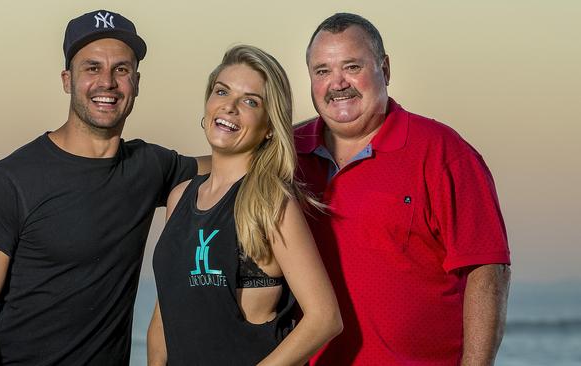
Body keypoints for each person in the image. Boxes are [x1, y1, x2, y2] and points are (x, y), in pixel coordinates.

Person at [0, 10, 208, 365]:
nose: (108, 82)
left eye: (121, 69)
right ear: (67, 80)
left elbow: (231, 161)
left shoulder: (149, 166)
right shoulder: (10, 180)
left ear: (136, 82)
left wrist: (297, 132)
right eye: (92, 68)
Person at [294, 13, 511, 365]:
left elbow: (487, 271)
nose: (338, 83)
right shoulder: (286, 156)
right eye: (322, 71)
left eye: (352, 66)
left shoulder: (443, 152)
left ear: (386, 69)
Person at [147, 45, 342, 365]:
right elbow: (165, 314)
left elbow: (325, 318)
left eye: (250, 101)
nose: (230, 107)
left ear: (268, 127)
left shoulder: (270, 203)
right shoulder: (179, 196)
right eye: (222, 92)